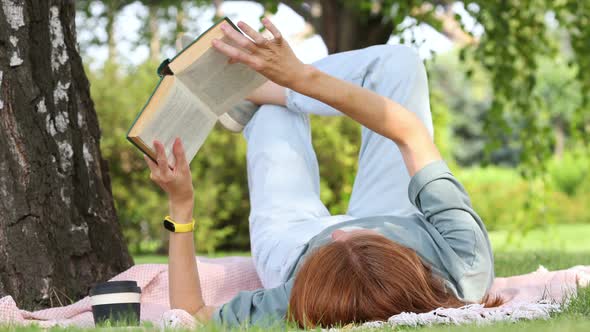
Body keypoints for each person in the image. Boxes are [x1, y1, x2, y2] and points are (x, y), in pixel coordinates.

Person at [144, 18, 498, 328]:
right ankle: (263, 88)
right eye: (357, 241)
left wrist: (181, 204)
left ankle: (256, 98)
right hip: (394, 215)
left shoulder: (304, 296)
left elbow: (192, 312)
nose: (337, 234)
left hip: (293, 240)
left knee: (274, 115)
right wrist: (300, 77)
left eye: (332, 249)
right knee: (400, 64)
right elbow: (408, 132)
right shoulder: (465, 262)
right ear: (407, 256)